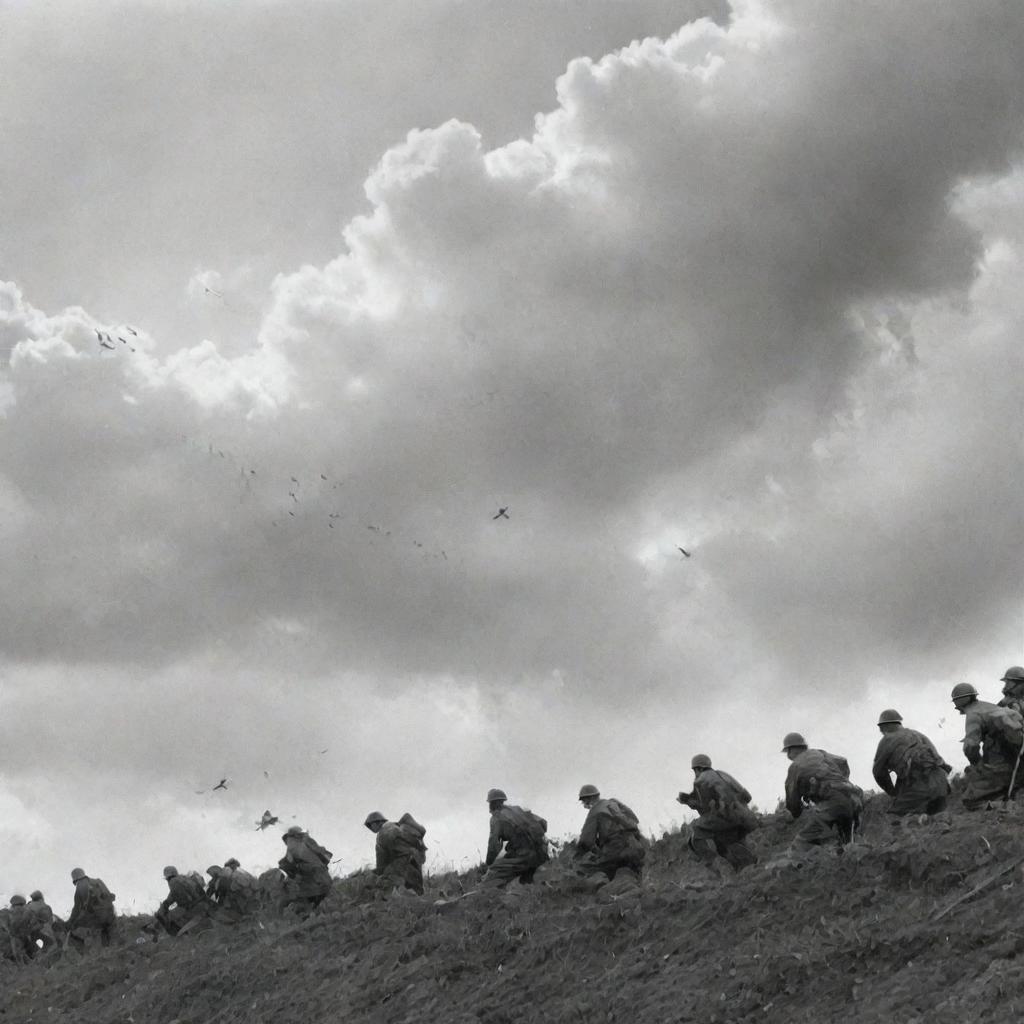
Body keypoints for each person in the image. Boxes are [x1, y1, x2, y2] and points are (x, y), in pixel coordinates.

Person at [677, 754, 759, 872]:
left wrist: (686, 801)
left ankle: (717, 867)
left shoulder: (700, 781)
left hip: (727, 819)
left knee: (697, 832)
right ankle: (746, 865)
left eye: (695, 770)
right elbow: (747, 797)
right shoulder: (723, 775)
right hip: (746, 818)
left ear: (698, 769)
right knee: (722, 839)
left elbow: (705, 809)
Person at [782, 733, 863, 850]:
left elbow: (792, 803)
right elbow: (843, 762)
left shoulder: (795, 766)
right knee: (846, 845)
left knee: (800, 845)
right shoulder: (820, 753)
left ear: (792, 749)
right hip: (854, 799)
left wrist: (795, 812)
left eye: (787, 752)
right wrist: (841, 781)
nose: (788, 756)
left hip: (833, 803)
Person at [952, 681, 1024, 809]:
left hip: (1003, 767)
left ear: (958, 702)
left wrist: (977, 765)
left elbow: (970, 748)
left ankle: (1005, 805)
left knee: (970, 800)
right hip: (1019, 761)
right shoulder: (990, 707)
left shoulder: (973, 714)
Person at [871, 709, 951, 815]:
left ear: (884, 726)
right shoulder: (917, 734)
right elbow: (940, 761)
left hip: (918, 787)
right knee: (935, 813)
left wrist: (892, 792)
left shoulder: (886, 740)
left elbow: (878, 773)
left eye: (881, 728)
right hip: (941, 786)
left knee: (894, 816)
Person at [574, 784, 646, 881]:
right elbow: (634, 820)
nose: (584, 804)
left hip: (615, 853)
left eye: (584, 801)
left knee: (585, 871)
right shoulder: (614, 802)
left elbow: (585, 841)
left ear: (590, 798)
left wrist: (577, 856)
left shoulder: (595, 811)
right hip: (635, 849)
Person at [482, 788, 549, 888]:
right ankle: (540, 886)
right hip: (541, 853)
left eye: (490, 803)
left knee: (491, 878)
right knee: (526, 881)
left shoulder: (496, 818)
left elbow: (493, 846)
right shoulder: (517, 809)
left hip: (523, 856)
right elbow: (543, 823)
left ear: (493, 803)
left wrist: (489, 864)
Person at [364, 811, 428, 895]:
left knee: (385, 878)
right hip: (415, 859)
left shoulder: (381, 835)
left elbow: (381, 865)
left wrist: (370, 874)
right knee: (416, 889)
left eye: (370, 825)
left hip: (402, 864)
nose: (370, 828)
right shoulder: (396, 826)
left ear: (377, 822)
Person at [278, 825, 333, 914]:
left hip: (312, 884)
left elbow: (289, 864)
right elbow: (326, 856)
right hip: (324, 881)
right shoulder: (308, 842)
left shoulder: (293, 846)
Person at [66, 867, 116, 950]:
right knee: (105, 929)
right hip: (110, 915)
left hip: (97, 917)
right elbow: (110, 896)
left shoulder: (80, 885)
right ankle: (107, 947)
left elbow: (76, 909)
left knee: (73, 928)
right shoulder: (98, 881)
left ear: (75, 879)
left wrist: (70, 922)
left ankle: (82, 950)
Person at [155, 866, 209, 936]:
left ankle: (181, 935)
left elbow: (178, 897)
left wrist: (164, 907)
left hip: (193, 907)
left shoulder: (173, 882)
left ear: (167, 876)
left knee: (170, 917)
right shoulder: (184, 878)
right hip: (203, 903)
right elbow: (173, 895)